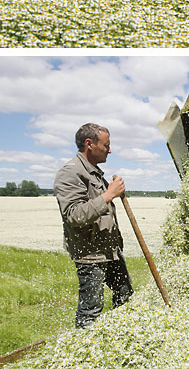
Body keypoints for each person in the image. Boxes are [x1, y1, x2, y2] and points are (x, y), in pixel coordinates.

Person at [54, 122, 133, 328]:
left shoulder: (94, 172)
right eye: (106, 145)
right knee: (91, 312)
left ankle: (120, 340)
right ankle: (84, 353)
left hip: (110, 251)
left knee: (125, 297)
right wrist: (108, 195)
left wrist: (113, 193)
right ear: (89, 144)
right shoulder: (70, 172)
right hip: (90, 255)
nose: (110, 150)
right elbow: (73, 215)